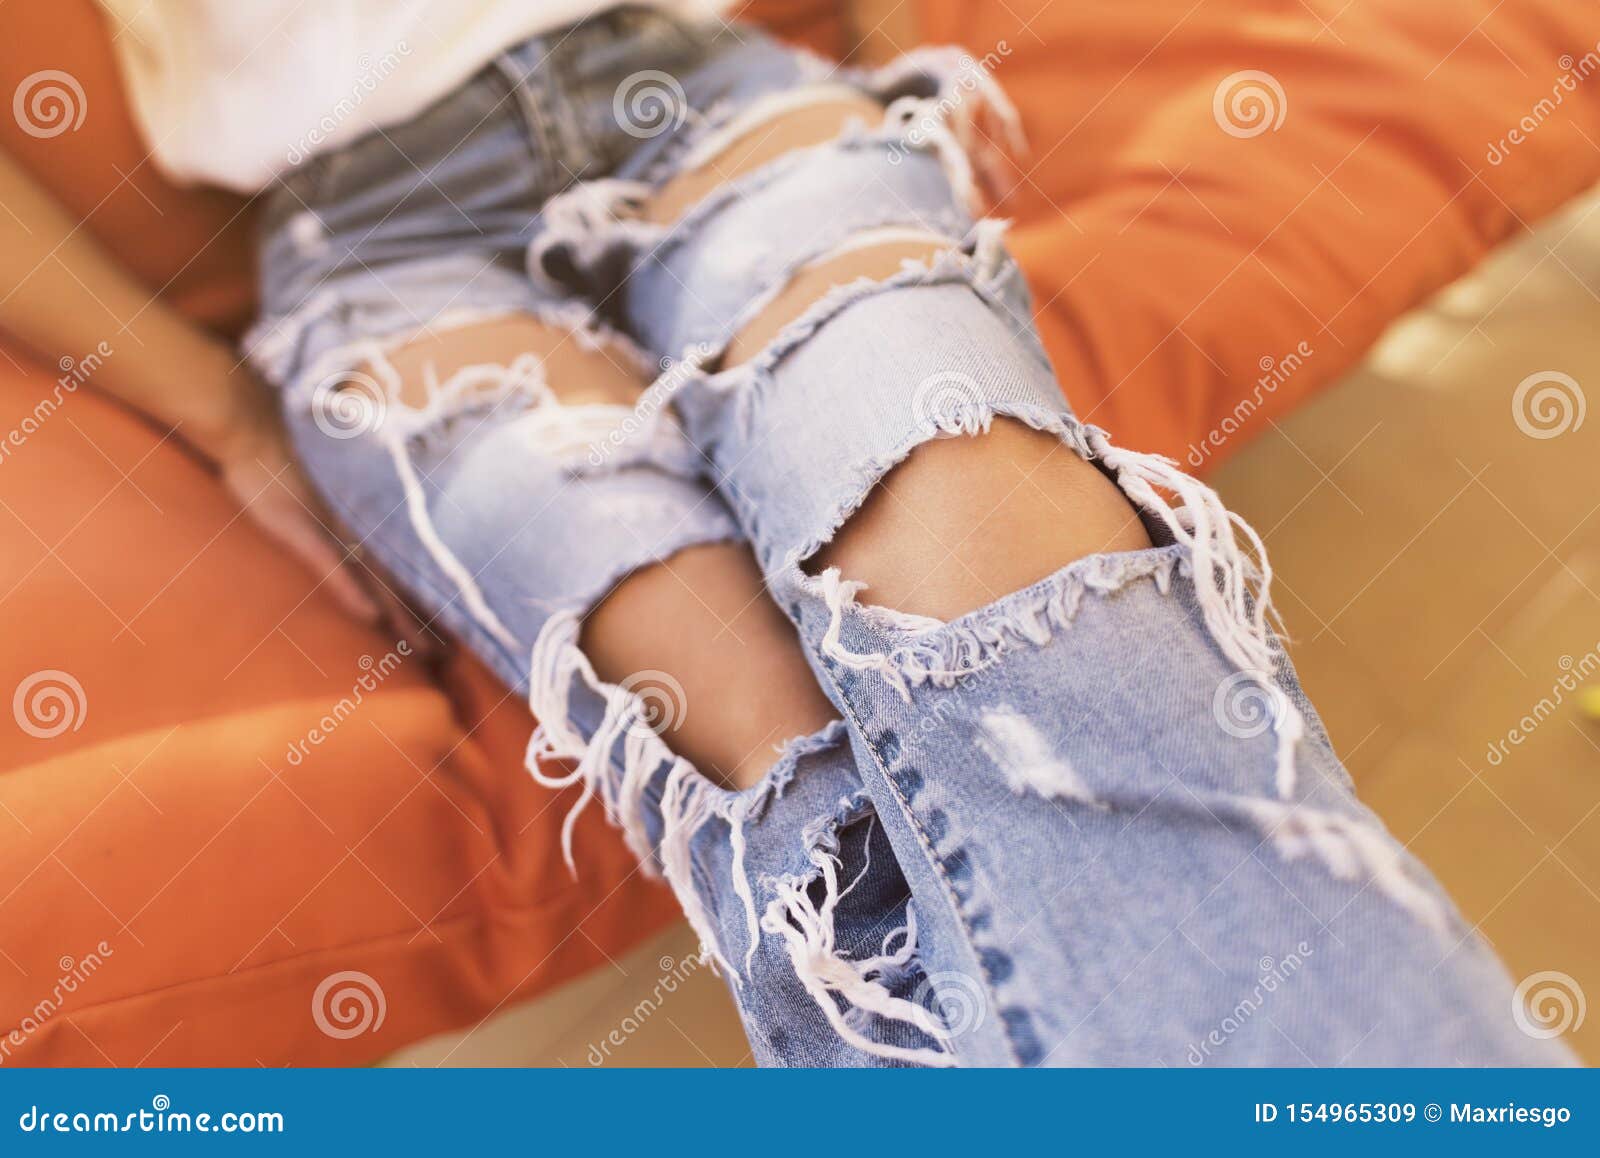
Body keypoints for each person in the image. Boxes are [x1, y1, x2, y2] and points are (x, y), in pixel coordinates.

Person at [0, 0, 1572, 1066]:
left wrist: (891, 57)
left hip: (710, 93)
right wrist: (219, 411)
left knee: (1044, 613)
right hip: (368, 248)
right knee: (792, 809)